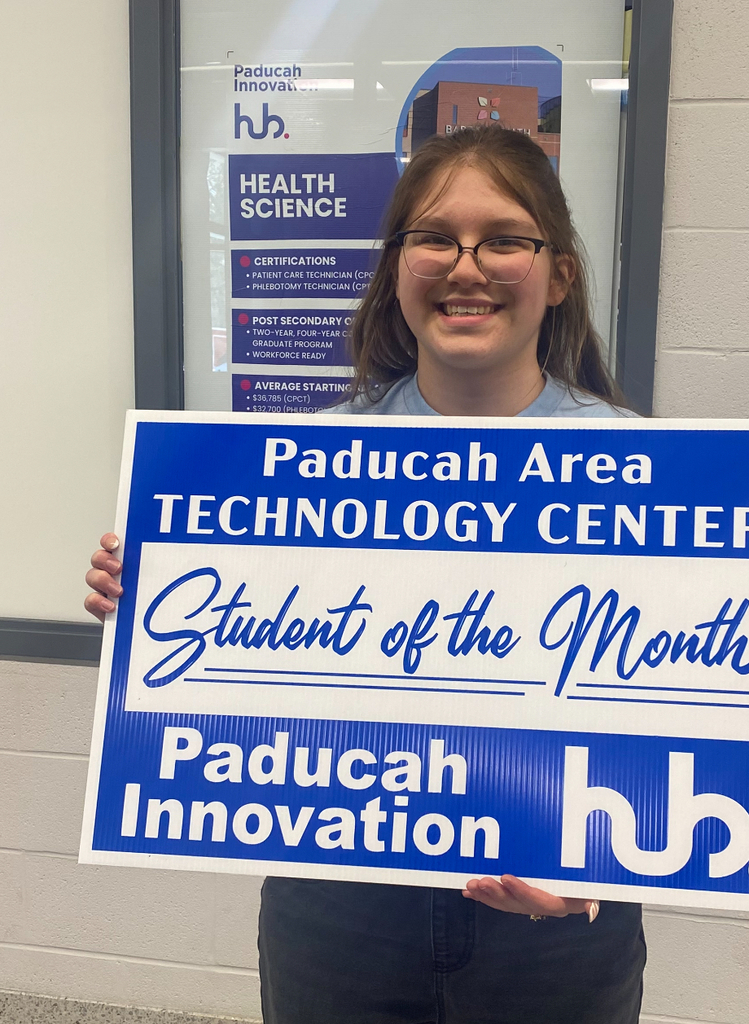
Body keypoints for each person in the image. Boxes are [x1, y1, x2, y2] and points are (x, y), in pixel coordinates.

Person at [85, 125, 646, 1024]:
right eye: (433, 238)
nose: (467, 266)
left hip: (558, 919)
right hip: (337, 907)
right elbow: (240, 691)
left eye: (503, 238)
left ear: (560, 272)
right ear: (396, 268)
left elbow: (684, 715)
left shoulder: (652, 469)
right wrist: (149, 608)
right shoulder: (295, 464)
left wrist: (598, 873)